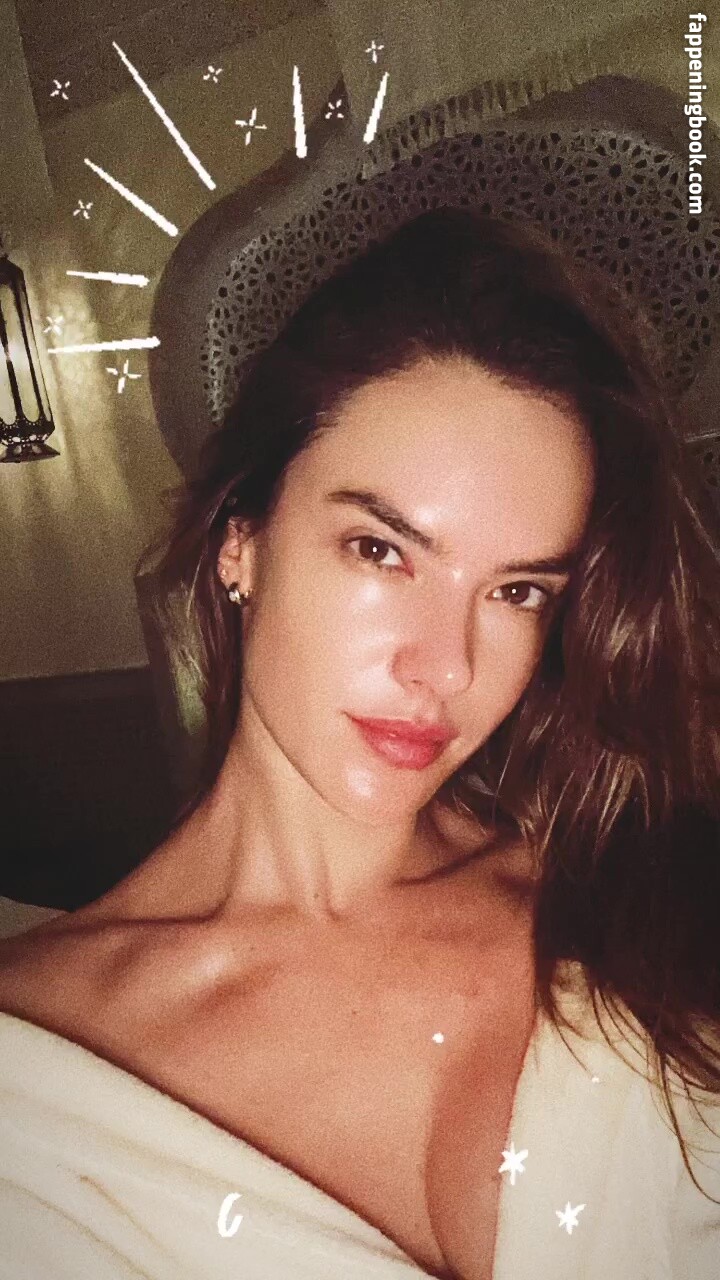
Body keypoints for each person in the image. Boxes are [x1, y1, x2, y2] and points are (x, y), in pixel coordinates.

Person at [0, 206, 719, 1280]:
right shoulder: (33, 1074)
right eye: (381, 550)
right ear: (243, 541)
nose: (446, 666)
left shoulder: (640, 890)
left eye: (517, 591)